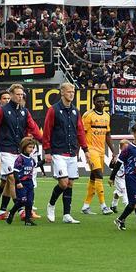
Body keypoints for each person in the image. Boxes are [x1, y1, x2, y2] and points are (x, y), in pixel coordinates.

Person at [0, 83, 42, 220]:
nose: (20, 96)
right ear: (11, 95)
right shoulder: (2, 111)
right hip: (5, 149)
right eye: (17, 94)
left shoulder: (24, 111)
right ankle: (22, 209)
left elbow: (33, 127)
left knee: (7, 181)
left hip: (19, 150)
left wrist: (45, 141)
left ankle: (2, 211)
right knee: (12, 177)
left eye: (21, 94)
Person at [42, 82, 88, 224]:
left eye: (73, 91)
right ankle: (51, 204)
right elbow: (47, 130)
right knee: (63, 183)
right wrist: (47, 151)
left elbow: (80, 131)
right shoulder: (53, 110)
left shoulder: (75, 111)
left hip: (72, 152)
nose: (71, 94)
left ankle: (67, 214)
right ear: (62, 93)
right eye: (69, 91)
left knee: (70, 184)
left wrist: (85, 149)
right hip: (58, 151)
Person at [80, 93, 114, 215]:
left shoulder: (106, 116)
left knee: (94, 177)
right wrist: (84, 150)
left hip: (101, 150)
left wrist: (113, 152)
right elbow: (82, 133)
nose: (101, 103)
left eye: (103, 101)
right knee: (99, 175)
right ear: (94, 102)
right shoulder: (88, 115)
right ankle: (103, 206)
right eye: (99, 101)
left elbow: (108, 135)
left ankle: (86, 205)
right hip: (91, 149)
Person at [112, 123, 136, 233]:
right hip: (130, 177)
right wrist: (112, 177)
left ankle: (120, 219)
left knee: (133, 203)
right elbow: (119, 163)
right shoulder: (128, 148)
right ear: (133, 134)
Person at [5, 137, 38, 226]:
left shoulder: (31, 159)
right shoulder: (20, 158)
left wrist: (44, 161)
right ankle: (11, 212)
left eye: (32, 147)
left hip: (30, 183)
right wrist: (18, 182)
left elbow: (36, 165)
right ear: (24, 147)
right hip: (22, 183)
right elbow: (15, 171)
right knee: (22, 200)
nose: (31, 149)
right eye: (29, 147)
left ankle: (28, 220)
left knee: (30, 201)